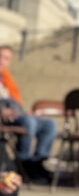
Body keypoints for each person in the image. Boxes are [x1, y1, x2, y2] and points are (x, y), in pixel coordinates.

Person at [0, 44, 57, 184]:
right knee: (28, 123)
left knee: (49, 124)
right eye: (1, 57)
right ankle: (23, 160)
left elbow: (15, 102)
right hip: (3, 117)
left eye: (7, 59)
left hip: (16, 114)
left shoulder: (7, 80)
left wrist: (25, 112)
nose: (2, 61)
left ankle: (39, 161)